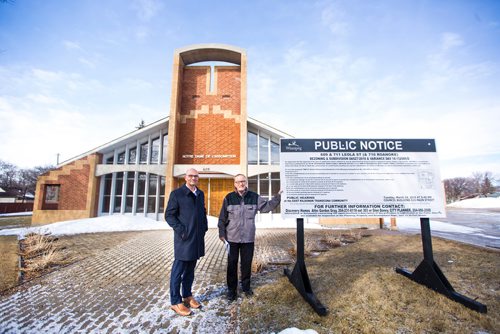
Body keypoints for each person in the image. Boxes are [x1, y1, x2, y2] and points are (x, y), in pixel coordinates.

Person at [218, 173, 282, 301]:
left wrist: (278, 196)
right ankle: (232, 291)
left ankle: (246, 288)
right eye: (238, 182)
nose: (241, 183)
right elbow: (222, 218)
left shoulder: (254, 197)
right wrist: (222, 234)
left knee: (246, 265)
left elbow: (267, 206)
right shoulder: (229, 198)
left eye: (243, 181)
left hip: (248, 238)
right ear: (234, 184)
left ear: (246, 182)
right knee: (232, 265)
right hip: (232, 239)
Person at [165, 168, 208, 316]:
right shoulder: (177, 194)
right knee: (178, 271)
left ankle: (187, 296)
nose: (193, 178)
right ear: (185, 178)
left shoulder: (200, 193)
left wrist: (204, 228)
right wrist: (182, 231)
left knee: (190, 270)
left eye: (196, 176)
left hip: (196, 239)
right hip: (184, 239)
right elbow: (169, 216)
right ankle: (175, 302)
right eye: (190, 176)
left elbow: (203, 212)